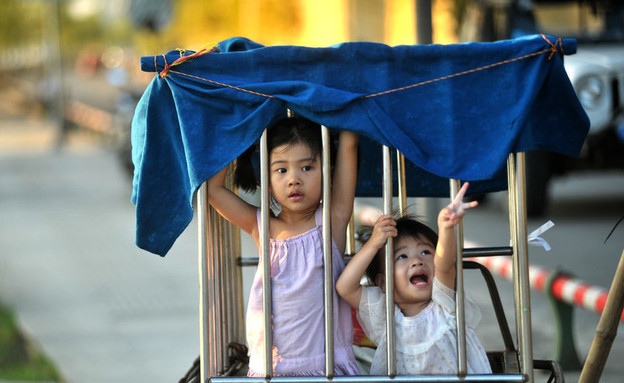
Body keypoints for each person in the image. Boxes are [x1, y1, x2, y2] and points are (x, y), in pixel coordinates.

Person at [207, 117, 360, 377]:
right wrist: (238, 127)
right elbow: (213, 190)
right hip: (273, 370)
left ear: (328, 171)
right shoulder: (262, 227)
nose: (294, 180)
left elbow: (349, 145)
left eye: (307, 168)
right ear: (266, 178)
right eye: (281, 170)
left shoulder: (332, 219)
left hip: (326, 368)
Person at [336, 183, 492, 375]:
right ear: (383, 282)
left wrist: (446, 227)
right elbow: (345, 287)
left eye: (426, 252)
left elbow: (444, 265)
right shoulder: (385, 315)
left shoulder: (444, 305)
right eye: (402, 256)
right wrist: (374, 243)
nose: (417, 261)